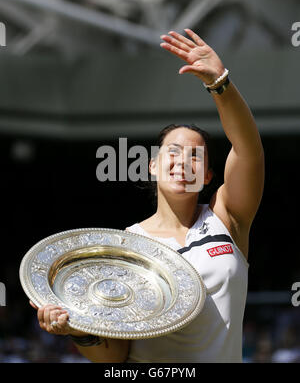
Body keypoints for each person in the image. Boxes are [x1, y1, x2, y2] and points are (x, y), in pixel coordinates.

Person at [29, 28, 264, 363]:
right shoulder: (127, 244)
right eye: (174, 152)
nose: (184, 161)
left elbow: (249, 150)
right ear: (152, 166)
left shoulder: (228, 219)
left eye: (195, 156)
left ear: (210, 175)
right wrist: (76, 330)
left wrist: (219, 82)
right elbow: (116, 356)